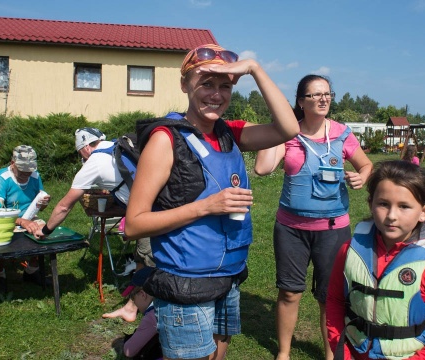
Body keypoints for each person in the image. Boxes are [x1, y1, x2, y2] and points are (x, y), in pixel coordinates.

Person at [123, 43, 299, 360]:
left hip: (227, 278)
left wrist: (255, 69)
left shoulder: (229, 133)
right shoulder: (166, 140)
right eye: (206, 83)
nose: (215, 94)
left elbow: (289, 128)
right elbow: (134, 224)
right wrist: (207, 206)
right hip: (186, 285)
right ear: (184, 85)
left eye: (224, 86)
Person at [254, 74, 372, 360]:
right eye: (316, 94)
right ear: (300, 102)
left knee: (329, 298)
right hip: (291, 230)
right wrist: (276, 130)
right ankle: (283, 352)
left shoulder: (343, 133)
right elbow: (262, 168)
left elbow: (366, 164)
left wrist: (362, 177)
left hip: (333, 230)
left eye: (327, 94)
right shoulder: (288, 133)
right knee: (289, 293)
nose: (324, 99)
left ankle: (331, 354)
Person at [326, 160, 425, 359]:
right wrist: (341, 351)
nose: (392, 216)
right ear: (371, 203)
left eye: (404, 206)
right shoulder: (348, 251)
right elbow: (334, 301)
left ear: (424, 211)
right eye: (383, 204)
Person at [33, 127, 154, 322]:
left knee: (153, 262)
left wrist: (46, 230)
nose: (81, 156)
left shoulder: (94, 164)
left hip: (153, 214)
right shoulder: (119, 146)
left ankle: (146, 311)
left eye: (80, 151)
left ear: (86, 147)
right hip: (152, 208)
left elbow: (64, 206)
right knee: (142, 256)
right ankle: (133, 303)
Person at [0, 145, 52, 294]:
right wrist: (22, 221)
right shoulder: (2, 178)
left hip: (29, 216)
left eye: (29, 170)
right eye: (22, 170)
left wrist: (43, 203)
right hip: (3, 218)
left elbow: (39, 205)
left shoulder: (35, 176)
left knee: (44, 230)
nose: (27, 174)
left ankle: (32, 270)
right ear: (12, 163)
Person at [121, 266, 162, 360]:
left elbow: (129, 351)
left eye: (132, 297)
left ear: (142, 294)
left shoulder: (153, 315)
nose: (134, 303)